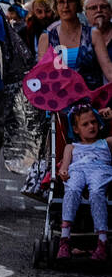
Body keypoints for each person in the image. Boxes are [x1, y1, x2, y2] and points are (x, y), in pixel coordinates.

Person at [57, 103, 112, 261]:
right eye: (85, 124)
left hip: (100, 170)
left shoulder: (106, 143)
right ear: (76, 129)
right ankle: (65, 237)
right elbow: (65, 166)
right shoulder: (71, 147)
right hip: (78, 170)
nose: (91, 126)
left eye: (94, 122)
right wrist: (63, 172)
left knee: (96, 192)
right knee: (72, 189)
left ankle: (102, 240)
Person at [36, 0, 112, 92]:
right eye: (61, 2)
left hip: (91, 102)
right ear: (56, 7)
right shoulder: (46, 38)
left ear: (78, 5)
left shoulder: (93, 34)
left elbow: (108, 70)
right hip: (60, 103)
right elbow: (42, 76)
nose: (65, 6)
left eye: (70, 1)